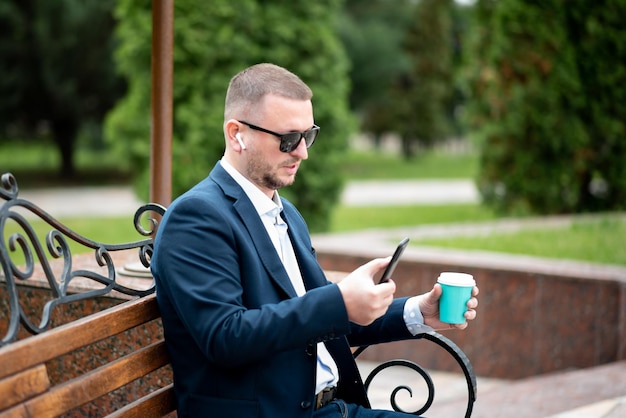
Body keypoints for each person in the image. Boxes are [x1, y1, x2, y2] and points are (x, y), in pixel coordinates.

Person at [151, 63, 479, 418]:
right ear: (236, 134)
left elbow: (320, 319)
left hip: (331, 408)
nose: (302, 152)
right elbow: (225, 336)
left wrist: (417, 313)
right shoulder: (197, 217)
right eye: (288, 139)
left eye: (308, 136)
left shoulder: (285, 214)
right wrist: (337, 300)